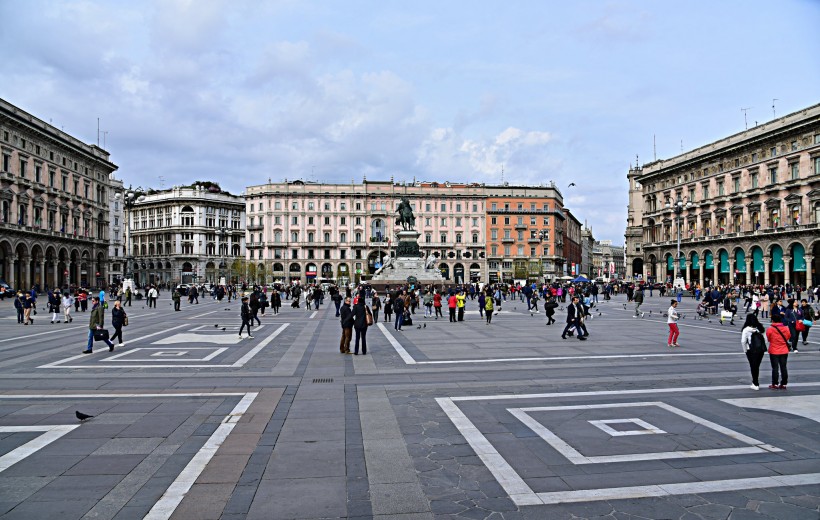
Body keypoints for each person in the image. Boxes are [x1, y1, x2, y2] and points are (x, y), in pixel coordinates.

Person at [741, 313, 768, 390]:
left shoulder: (746, 329)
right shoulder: (760, 328)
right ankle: (755, 382)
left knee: (753, 366)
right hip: (760, 350)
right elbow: (765, 340)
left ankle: (755, 383)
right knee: (757, 366)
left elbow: (743, 341)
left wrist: (745, 350)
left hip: (751, 350)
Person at [765, 314, 790, 389]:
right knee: (783, 367)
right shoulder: (786, 328)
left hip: (774, 350)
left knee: (775, 367)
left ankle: (775, 383)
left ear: (772, 320)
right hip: (784, 350)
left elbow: (768, 338)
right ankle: (784, 383)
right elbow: (788, 336)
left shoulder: (770, 329)